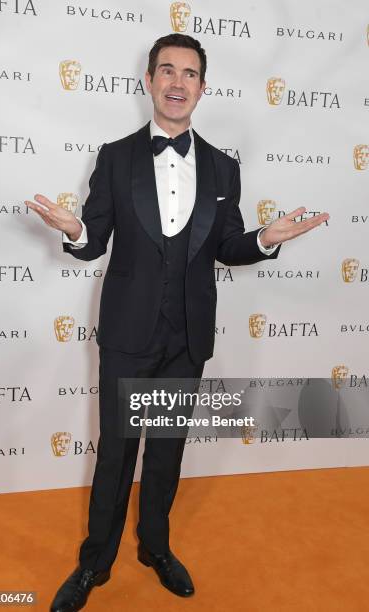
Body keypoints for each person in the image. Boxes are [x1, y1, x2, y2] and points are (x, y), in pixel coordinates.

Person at [25, 33, 329, 612]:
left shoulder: (221, 167)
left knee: (166, 451)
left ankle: (155, 549)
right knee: (117, 453)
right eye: (167, 71)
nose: (177, 82)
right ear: (148, 81)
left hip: (187, 336)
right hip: (128, 335)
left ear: (202, 88)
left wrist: (266, 240)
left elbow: (227, 247)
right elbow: (93, 244)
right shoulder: (115, 157)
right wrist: (73, 229)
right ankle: (94, 565)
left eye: (189, 74)